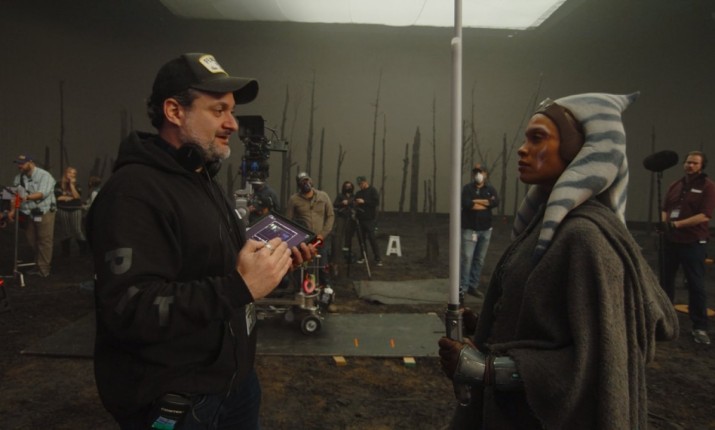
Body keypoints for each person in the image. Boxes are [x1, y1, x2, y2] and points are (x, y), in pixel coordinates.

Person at [86, 52, 313, 429]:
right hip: (179, 401)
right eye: (219, 110)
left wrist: (273, 263)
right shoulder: (132, 193)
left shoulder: (201, 178)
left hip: (235, 385)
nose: (233, 123)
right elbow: (130, 310)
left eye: (232, 111)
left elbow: (219, 263)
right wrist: (240, 286)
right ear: (174, 111)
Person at [438, 92, 679, 429]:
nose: (522, 149)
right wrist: (489, 324)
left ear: (579, 150)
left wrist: (485, 369)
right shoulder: (545, 227)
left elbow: (598, 360)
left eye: (537, 138)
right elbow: (551, 319)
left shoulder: (585, 238)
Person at [661, 150, 715, 345]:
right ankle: (665, 321)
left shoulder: (708, 187)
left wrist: (676, 225)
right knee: (665, 283)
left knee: (695, 285)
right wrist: (665, 224)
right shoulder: (675, 185)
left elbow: (704, 216)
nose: (690, 165)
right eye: (688, 162)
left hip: (693, 242)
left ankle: (700, 327)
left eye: (695, 163)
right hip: (671, 242)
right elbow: (665, 209)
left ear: (701, 166)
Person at [7, 155, 57, 277]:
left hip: (44, 211)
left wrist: (26, 197)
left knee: (44, 240)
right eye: (18, 163)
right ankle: (38, 264)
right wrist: (12, 211)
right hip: (28, 213)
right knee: (31, 240)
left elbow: (42, 193)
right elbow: (14, 195)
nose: (19, 166)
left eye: (22, 163)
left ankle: (43, 269)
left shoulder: (44, 176)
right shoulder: (18, 178)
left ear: (31, 162)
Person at [459, 164, 499, 301]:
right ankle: (463, 288)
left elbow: (495, 202)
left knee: (479, 260)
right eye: (475, 172)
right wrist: (486, 203)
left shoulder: (490, 189)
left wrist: (476, 201)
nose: (478, 175)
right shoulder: (467, 189)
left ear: (485, 174)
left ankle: (473, 286)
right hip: (470, 229)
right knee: (467, 258)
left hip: (485, 230)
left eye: (480, 172)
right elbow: (467, 204)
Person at [286, 172, 335, 245]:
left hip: (322, 238)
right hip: (303, 239)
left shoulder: (323, 196)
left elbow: (330, 215)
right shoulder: (294, 199)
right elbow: (288, 220)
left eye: (307, 180)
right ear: (299, 185)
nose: (306, 183)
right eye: (302, 182)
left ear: (311, 181)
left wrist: (323, 234)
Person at [55, 166, 88, 257]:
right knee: (65, 231)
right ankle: (66, 252)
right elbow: (58, 197)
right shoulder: (58, 184)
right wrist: (70, 197)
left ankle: (84, 251)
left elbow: (77, 197)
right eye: (70, 172)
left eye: (74, 173)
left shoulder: (77, 185)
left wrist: (72, 185)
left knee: (77, 230)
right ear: (65, 173)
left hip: (75, 209)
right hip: (63, 209)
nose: (72, 175)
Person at [353, 176, 382, 267]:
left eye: (361, 183)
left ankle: (377, 258)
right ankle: (363, 256)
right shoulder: (358, 193)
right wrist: (356, 203)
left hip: (369, 219)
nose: (360, 185)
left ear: (366, 182)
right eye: (359, 184)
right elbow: (354, 203)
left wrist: (364, 201)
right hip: (360, 219)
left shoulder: (372, 191)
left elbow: (376, 202)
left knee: (372, 238)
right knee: (361, 240)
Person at [333, 180, 357, 264]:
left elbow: (355, 204)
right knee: (339, 235)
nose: (348, 188)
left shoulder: (354, 196)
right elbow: (335, 204)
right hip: (341, 217)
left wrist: (350, 202)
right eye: (347, 186)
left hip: (351, 218)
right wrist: (342, 203)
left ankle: (347, 251)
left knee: (349, 235)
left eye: (350, 186)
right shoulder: (340, 195)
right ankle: (337, 253)